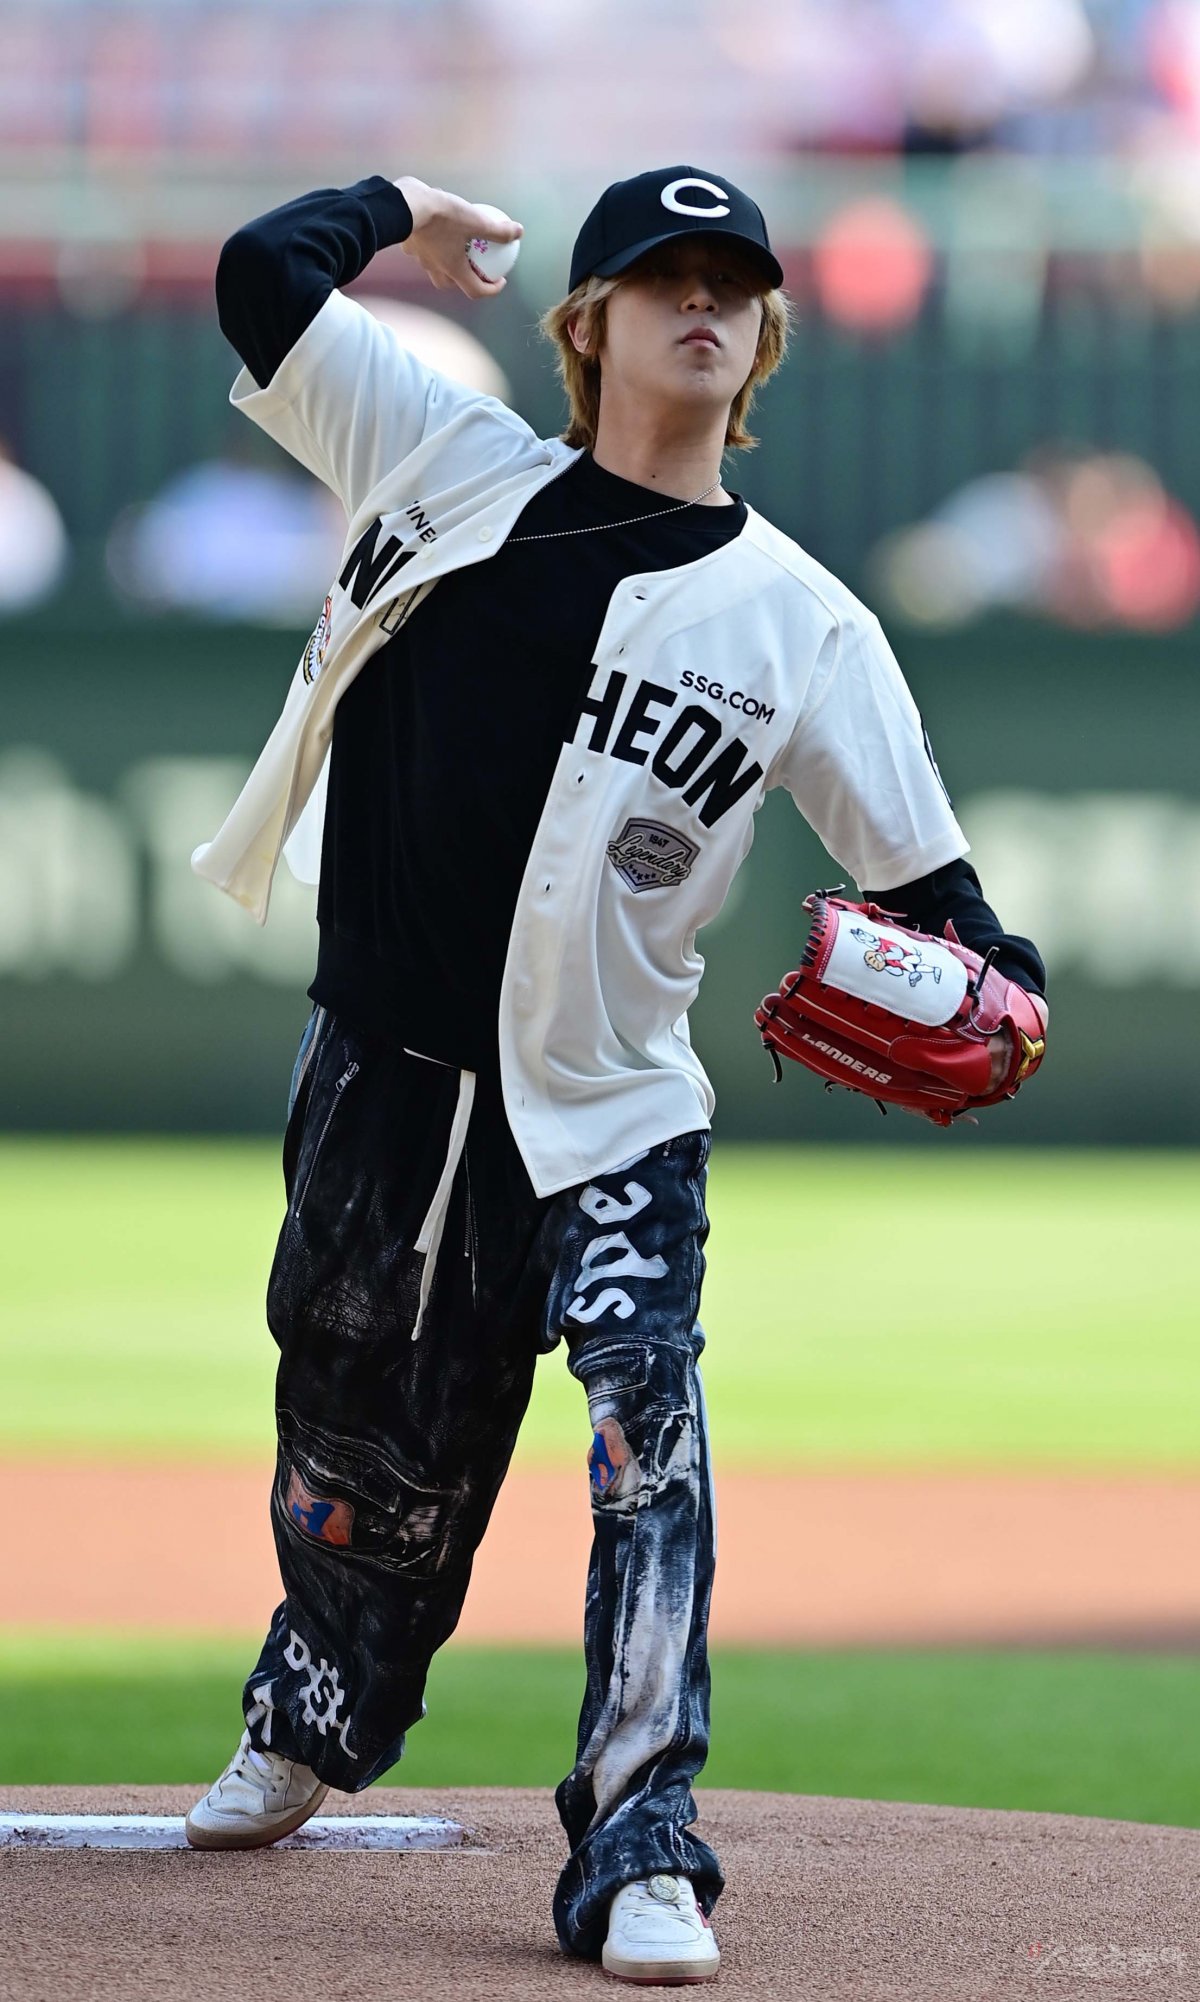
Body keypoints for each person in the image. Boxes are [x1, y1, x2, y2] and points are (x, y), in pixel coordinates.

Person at [184, 164, 1046, 1984]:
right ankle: (320, 1694)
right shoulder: (442, 456)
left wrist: (1006, 988)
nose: (702, 301)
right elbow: (261, 275)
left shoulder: (805, 624)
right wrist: (404, 207)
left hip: (613, 1104)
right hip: (385, 1073)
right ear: (587, 323)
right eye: (663, 276)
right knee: (358, 1421)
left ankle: (643, 1838)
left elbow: (941, 896)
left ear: (768, 335)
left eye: (734, 280)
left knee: (652, 1439)